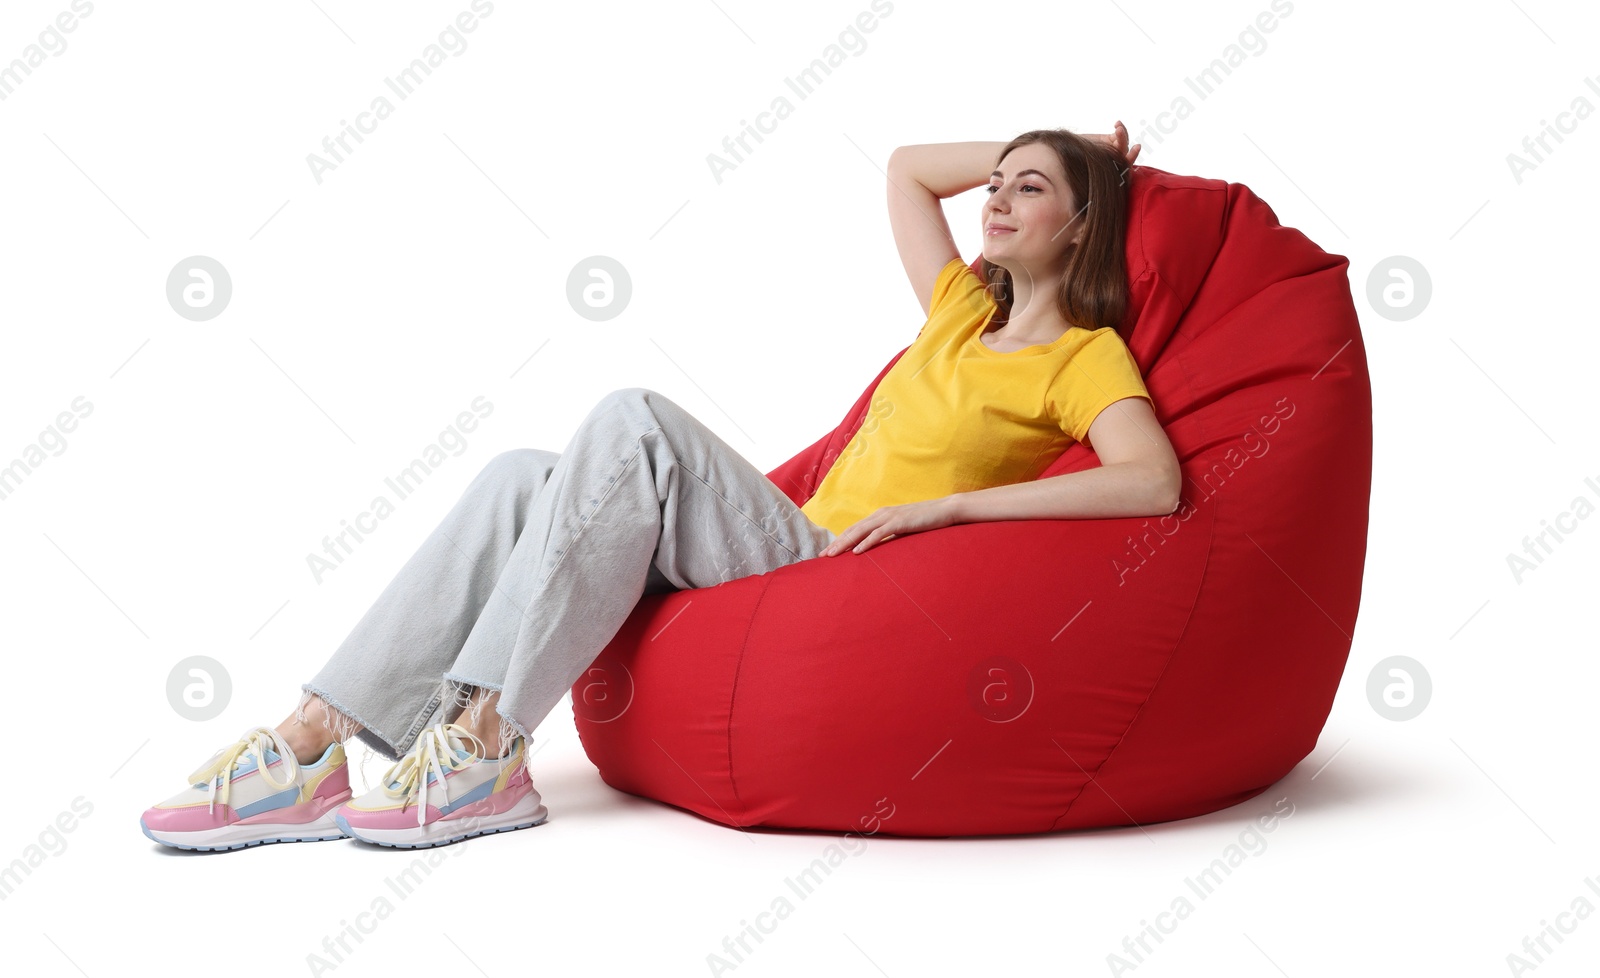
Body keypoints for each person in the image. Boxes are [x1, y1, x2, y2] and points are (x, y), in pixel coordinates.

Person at [140, 121, 1180, 852]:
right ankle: (311, 744)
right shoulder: (959, 309)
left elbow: (1149, 482)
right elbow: (908, 169)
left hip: (838, 575)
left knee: (632, 421)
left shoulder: (1079, 356)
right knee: (516, 478)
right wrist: (1064, 143)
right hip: (787, 545)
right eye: (995, 182)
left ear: (1081, 228)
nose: (995, 197)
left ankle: (485, 744)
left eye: (1028, 189)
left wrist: (949, 510)